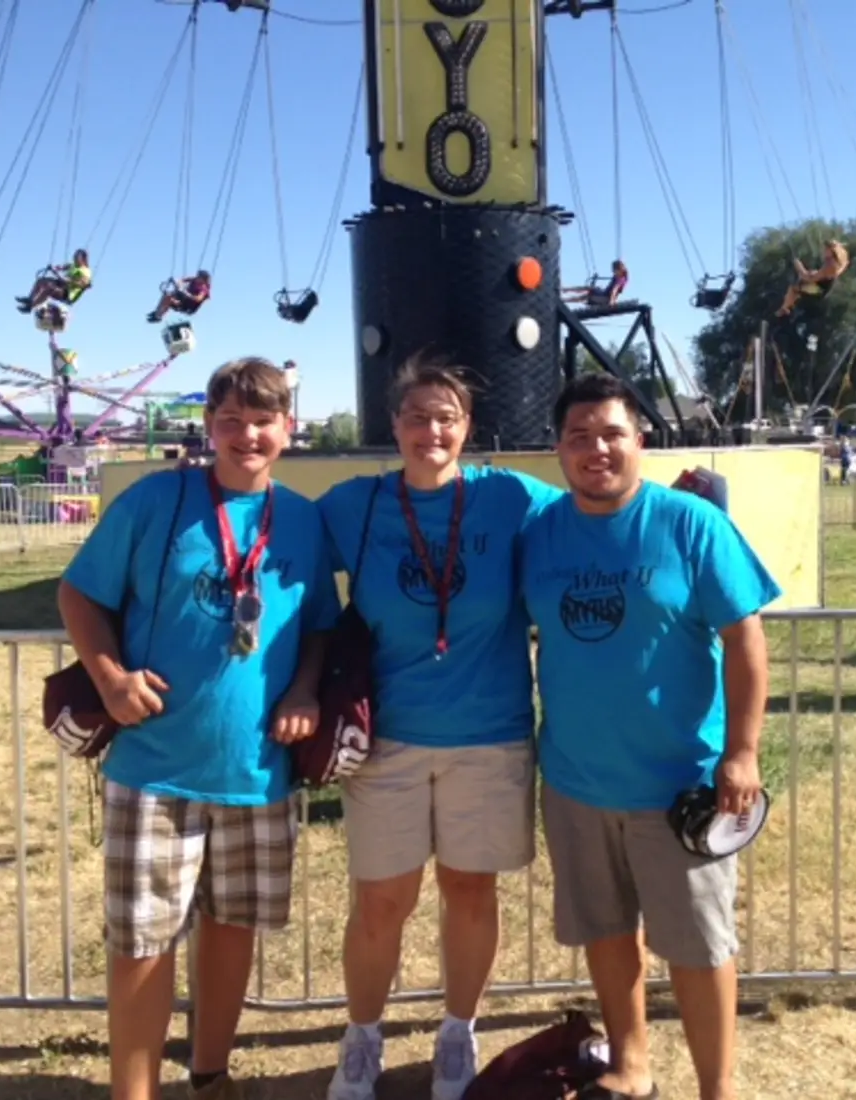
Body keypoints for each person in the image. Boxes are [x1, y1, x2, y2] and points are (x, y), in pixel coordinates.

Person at [57, 356, 341, 1100]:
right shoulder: (158, 500)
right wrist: (111, 679)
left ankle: (209, 1075)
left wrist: (307, 689)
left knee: (231, 929)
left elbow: (318, 627)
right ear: (210, 427)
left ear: (289, 429)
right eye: (231, 420)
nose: (248, 434)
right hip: (155, 765)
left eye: (263, 420)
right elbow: (80, 594)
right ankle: (135, 1091)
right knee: (142, 943)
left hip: (257, 770)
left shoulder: (304, 521)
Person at [521, 372, 781, 1100]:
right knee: (606, 933)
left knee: (699, 947)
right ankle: (630, 1065)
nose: (596, 448)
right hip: (575, 781)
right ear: (559, 449)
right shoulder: (540, 534)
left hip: (681, 786)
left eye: (611, 433)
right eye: (579, 436)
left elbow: (745, 640)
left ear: (641, 438)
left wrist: (742, 751)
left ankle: (715, 1087)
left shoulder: (691, 525)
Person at [317, 357, 560, 1100]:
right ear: (393, 426)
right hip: (386, 741)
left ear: (468, 428)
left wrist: (688, 505)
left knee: (470, 892)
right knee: (382, 901)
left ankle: (458, 1033)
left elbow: (598, 509)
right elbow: (275, 544)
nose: (432, 429)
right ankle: (362, 1040)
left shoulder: (512, 498)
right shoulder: (352, 506)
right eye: (417, 415)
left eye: (447, 417)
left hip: (488, 738)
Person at [775, 239, 849, 317]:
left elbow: (808, 278)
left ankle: (784, 308)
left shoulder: (829, 266)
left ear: (831, 251)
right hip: (820, 286)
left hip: (818, 290)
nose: (823, 252)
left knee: (794, 288)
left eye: (825, 249)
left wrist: (799, 267)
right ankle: (788, 305)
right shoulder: (835, 264)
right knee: (800, 284)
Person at [15, 248, 92, 313]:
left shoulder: (85, 271)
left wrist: (57, 274)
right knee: (41, 281)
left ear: (83, 258)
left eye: (76, 256)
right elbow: (63, 267)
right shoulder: (73, 265)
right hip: (61, 285)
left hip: (68, 294)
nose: (74, 258)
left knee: (48, 289)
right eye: (74, 256)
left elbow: (79, 283)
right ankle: (29, 299)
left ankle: (30, 307)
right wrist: (55, 268)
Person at [148, 270, 212, 323]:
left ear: (203, 280)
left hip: (188, 307)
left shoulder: (203, 289)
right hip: (183, 299)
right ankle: (157, 313)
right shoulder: (194, 279)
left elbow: (198, 298)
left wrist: (186, 293)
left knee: (169, 299)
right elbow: (182, 280)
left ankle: (158, 317)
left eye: (199, 277)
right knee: (167, 295)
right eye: (197, 276)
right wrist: (176, 281)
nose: (197, 277)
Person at [563, 260, 629, 309]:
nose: (614, 273)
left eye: (615, 271)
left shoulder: (621, 279)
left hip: (606, 298)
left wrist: (611, 302)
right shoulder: (616, 276)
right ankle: (567, 290)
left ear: (620, 270)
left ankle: (565, 300)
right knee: (589, 288)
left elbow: (615, 289)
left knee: (586, 297)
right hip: (603, 293)